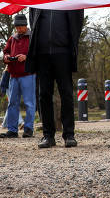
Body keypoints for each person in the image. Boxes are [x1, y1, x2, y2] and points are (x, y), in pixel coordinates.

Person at [26, 8, 84, 148]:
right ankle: (48, 135)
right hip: (42, 54)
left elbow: (77, 22)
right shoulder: (37, 0)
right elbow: (33, 22)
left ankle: (69, 135)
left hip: (63, 53)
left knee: (66, 94)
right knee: (44, 95)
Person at [0, 13, 35, 139]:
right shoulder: (12, 38)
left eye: (21, 27)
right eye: (17, 27)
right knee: (12, 103)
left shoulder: (32, 37)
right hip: (13, 75)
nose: (19, 29)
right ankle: (12, 130)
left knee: (29, 103)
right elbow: (5, 52)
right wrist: (6, 58)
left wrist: (26, 57)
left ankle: (29, 129)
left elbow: (37, 54)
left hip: (28, 74)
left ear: (26, 25)